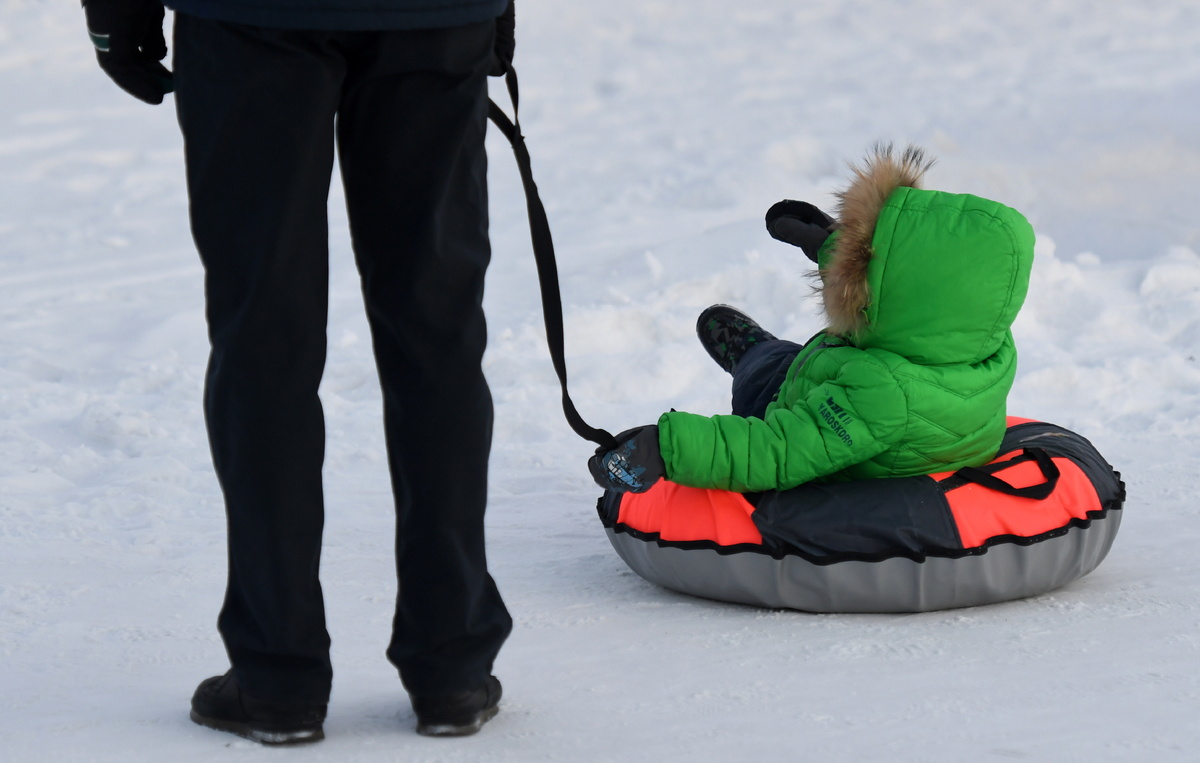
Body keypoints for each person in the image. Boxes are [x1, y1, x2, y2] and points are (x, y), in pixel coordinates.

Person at [82, 0, 516, 745]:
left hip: (250, 18)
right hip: (433, 17)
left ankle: (275, 674)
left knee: (263, 334)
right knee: (436, 327)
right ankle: (453, 664)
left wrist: (115, 11)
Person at [589, 144, 1035, 497]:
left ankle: (751, 357)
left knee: (770, 372)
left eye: (860, 254)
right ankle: (763, 355)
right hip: (860, 403)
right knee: (808, 359)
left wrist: (667, 448)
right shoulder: (983, 343)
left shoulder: (884, 394)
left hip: (816, 433)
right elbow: (914, 289)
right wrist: (829, 246)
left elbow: (775, 450)